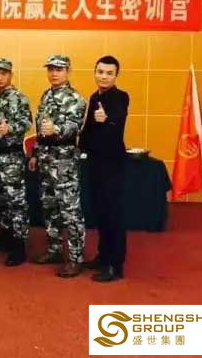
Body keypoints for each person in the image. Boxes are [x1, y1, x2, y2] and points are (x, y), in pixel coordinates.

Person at [30, 55, 87, 278]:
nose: (54, 73)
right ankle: (54, 249)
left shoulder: (76, 99)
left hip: (64, 162)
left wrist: (57, 129)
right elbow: (40, 129)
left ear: (68, 71)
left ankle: (75, 257)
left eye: (59, 69)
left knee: (70, 211)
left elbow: (74, 126)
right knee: (50, 207)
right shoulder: (46, 95)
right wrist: (35, 153)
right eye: (51, 69)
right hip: (45, 159)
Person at [79, 55, 129, 282]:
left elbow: (117, 124)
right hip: (95, 162)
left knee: (113, 215)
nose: (104, 76)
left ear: (116, 76)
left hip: (112, 165)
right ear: (95, 73)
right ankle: (103, 255)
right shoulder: (94, 97)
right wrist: (79, 147)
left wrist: (106, 119)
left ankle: (115, 265)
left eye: (109, 73)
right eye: (100, 72)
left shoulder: (121, 97)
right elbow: (88, 130)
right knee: (100, 212)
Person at [0, 58, 33, 267]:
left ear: (10, 75)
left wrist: (11, 128)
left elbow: (27, 122)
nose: (0, 77)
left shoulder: (19, 98)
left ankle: (20, 245)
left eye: (3, 73)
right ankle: (6, 236)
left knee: (16, 202)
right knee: (2, 200)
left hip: (12, 156)